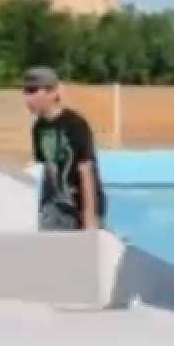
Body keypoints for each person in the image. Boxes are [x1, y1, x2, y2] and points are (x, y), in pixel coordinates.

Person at [23, 67, 107, 231]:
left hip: (81, 205)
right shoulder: (38, 128)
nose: (27, 98)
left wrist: (89, 218)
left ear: (53, 93)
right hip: (56, 207)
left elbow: (86, 171)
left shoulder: (75, 125)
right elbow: (47, 170)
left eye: (33, 91)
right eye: (26, 91)